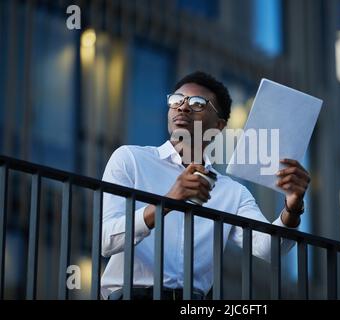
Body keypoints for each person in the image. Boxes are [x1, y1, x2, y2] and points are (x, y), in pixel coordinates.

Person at [100, 71, 311, 300]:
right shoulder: (130, 159)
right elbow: (105, 241)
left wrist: (293, 207)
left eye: (197, 103)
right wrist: (167, 202)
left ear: (219, 124)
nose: (183, 107)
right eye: (176, 100)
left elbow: (270, 249)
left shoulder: (231, 191)